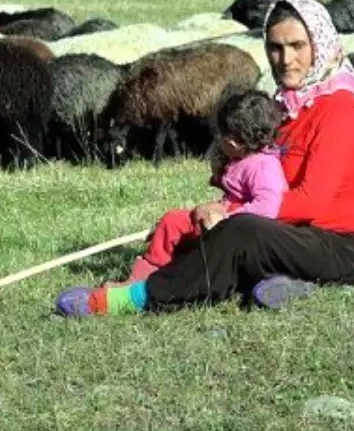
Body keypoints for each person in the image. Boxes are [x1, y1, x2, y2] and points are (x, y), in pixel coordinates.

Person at [55, 0, 354, 317]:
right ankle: (284, 282)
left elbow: (311, 202)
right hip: (293, 233)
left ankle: (138, 298)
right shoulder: (286, 106)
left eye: (298, 46)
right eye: (275, 47)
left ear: (320, 44)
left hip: (339, 245)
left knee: (239, 232)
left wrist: (230, 212)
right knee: (189, 224)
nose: (285, 59)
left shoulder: (341, 108)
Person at [109, 89, 288, 285]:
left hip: (232, 228)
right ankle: (164, 259)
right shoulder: (246, 159)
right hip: (224, 222)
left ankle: (144, 277)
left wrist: (226, 219)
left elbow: (268, 206)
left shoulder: (263, 166)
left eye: (222, 135)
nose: (219, 141)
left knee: (172, 222)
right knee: (173, 226)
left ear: (234, 141)